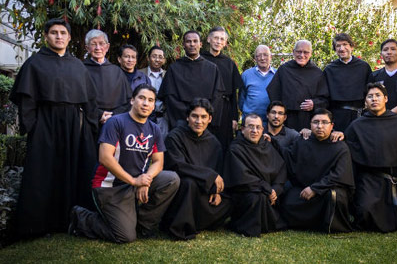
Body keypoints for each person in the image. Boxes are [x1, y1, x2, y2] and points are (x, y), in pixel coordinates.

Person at [9, 18, 98, 237]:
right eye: (54, 33)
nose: (59, 37)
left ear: (69, 37)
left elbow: (90, 100)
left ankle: (75, 220)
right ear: (46, 36)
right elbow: (27, 100)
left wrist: (89, 125)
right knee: (44, 173)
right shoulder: (35, 63)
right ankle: (39, 225)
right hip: (45, 124)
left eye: (62, 33)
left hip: (74, 125)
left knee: (76, 170)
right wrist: (33, 127)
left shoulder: (77, 65)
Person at [68, 84, 180, 243]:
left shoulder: (154, 129)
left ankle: (143, 224)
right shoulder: (115, 122)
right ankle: (82, 218)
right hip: (110, 186)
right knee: (125, 236)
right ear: (132, 100)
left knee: (171, 179)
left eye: (150, 100)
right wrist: (134, 181)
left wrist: (145, 180)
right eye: (141, 98)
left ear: (154, 105)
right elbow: (105, 158)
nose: (145, 103)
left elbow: (158, 162)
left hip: (134, 183)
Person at [345, 83, 397, 232]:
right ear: (365, 101)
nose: (374, 99)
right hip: (367, 180)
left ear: (386, 99)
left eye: (378, 95)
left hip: (393, 180)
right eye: (370, 96)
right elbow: (348, 156)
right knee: (365, 214)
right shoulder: (356, 126)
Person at [162, 98, 232, 240]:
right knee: (189, 183)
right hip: (182, 191)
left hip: (204, 192)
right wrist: (209, 176)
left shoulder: (214, 142)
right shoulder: (174, 137)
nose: (198, 121)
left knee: (230, 200)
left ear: (210, 119)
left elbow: (217, 172)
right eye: (194, 116)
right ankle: (182, 227)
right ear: (187, 117)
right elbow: (177, 165)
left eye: (203, 117)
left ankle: (200, 222)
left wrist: (216, 191)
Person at [278, 108, 354, 233]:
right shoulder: (302, 141)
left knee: (335, 197)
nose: (320, 126)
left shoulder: (340, 146)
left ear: (332, 126)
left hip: (327, 189)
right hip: (304, 188)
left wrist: (315, 189)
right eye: (315, 122)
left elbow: (339, 175)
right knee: (288, 201)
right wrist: (272, 142)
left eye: (324, 122)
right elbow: (289, 157)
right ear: (310, 124)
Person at [223, 114, 287, 237]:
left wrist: (275, 189)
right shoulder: (235, 148)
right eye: (250, 127)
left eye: (258, 127)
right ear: (242, 129)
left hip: (269, 192)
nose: (255, 131)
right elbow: (241, 176)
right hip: (245, 192)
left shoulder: (267, 145)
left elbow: (281, 169)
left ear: (263, 130)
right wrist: (265, 188)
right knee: (256, 197)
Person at [158, 31, 225, 131]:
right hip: (180, 123)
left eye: (195, 41)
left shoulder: (212, 69)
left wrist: (202, 116)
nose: (192, 44)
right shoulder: (174, 69)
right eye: (188, 41)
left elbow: (217, 97)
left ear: (200, 44)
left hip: (204, 124)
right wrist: (189, 116)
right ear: (183, 45)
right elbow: (169, 97)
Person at [266, 40, 329, 132]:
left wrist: (314, 104)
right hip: (287, 119)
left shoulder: (317, 73)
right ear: (293, 52)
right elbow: (273, 92)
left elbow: (325, 99)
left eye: (305, 52)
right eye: (299, 51)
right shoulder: (284, 70)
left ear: (311, 54)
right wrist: (280, 112)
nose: (302, 55)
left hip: (308, 119)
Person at [201, 26, 243, 151]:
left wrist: (234, 117)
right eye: (216, 38)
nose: (218, 41)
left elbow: (233, 95)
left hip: (225, 110)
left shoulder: (229, 63)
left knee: (223, 146)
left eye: (221, 39)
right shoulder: (200, 60)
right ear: (209, 39)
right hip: (204, 107)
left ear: (224, 43)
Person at [83, 29, 132, 128]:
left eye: (101, 43)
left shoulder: (117, 72)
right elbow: (78, 99)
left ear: (107, 47)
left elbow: (128, 101)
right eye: (93, 44)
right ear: (87, 48)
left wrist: (112, 115)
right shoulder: (81, 70)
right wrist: (99, 114)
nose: (98, 48)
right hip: (89, 123)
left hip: (115, 122)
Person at [324, 33, 372, 132]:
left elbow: (371, 91)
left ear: (352, 47)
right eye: (338, 46)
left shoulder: (364, 67)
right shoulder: (329, 69)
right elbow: (324, 95)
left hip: (359, 115)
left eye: (345, 44)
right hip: (337, 116)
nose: (342, 48)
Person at [368, 39, 397, 123]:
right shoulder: (374, 75)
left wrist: (390, 114)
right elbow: (370, 99)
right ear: (381, 55)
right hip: (379, 122)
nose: (389, 52)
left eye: (393, 49)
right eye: (385, 50)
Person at [239, 45, 276, 124]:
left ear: (271, 57)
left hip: (271, 123)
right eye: (259, 55)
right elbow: (241, 99)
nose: (262, 58)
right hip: (250, 122)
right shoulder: (246, 75)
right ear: (255, 58)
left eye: (265, 55)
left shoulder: (277, 75)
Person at [139, 46, 168, 138]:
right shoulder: (139, 74)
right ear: (148, 58)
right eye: (154, 56)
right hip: (143, 117)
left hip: (162, 119)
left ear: (164, 60)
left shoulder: (168, 75)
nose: (157, 59)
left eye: (160, 57)